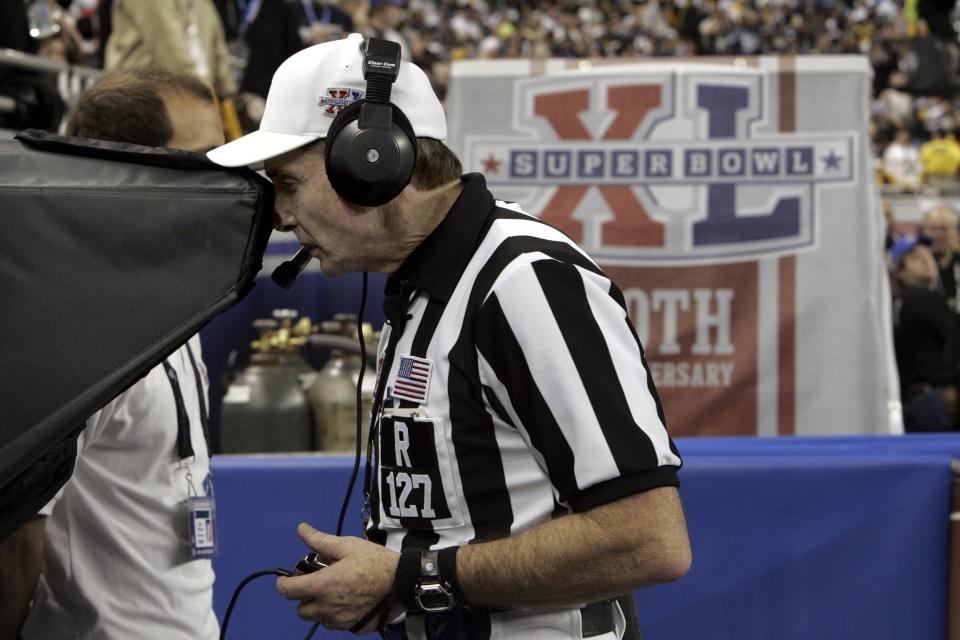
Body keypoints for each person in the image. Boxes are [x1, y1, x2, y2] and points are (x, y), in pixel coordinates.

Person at [207, 34, 690, 639]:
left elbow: (648, 540)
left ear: (369, 164)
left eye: (289, 182)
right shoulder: (422, 289)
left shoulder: (523, 281)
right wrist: (392, 577)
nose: (279, 212)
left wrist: (408, 577)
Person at [1, 67, 225, 640]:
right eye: (203, 159)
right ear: (134, 170)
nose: (228, 181)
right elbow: (15, 546)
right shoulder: (70, 329)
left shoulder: (178, 291)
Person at [104, 0, 237, 99]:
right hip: (142, 95)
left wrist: (229, 94)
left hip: (186, 94)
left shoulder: (204, 4)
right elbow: (169, 50)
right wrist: (205, 92)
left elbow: (217, 49)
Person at [892, 241, 959, 431]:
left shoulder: (911, 299)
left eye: (928, 255)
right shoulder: (918, 297)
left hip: (921, 398)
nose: (926, 261)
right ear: (900, 271)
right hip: (933, 398)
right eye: (915, 258)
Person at [921, 204, 960, 309]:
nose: (938, 234)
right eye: (932, 229)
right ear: (924, 232)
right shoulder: (916, 267)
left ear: (956, 233)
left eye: (944, 229)